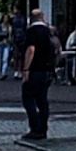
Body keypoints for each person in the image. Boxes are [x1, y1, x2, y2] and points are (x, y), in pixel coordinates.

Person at [11, 11, 58, 141]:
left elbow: (31, 50)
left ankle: (35, 128)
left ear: (31, 19)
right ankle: (43, 128)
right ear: (43, 18)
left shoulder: (32, 32)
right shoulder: (49, 32)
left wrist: (26, 69)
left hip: (35, 69)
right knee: (42, 100)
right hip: (47, 70)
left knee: (28, 98)